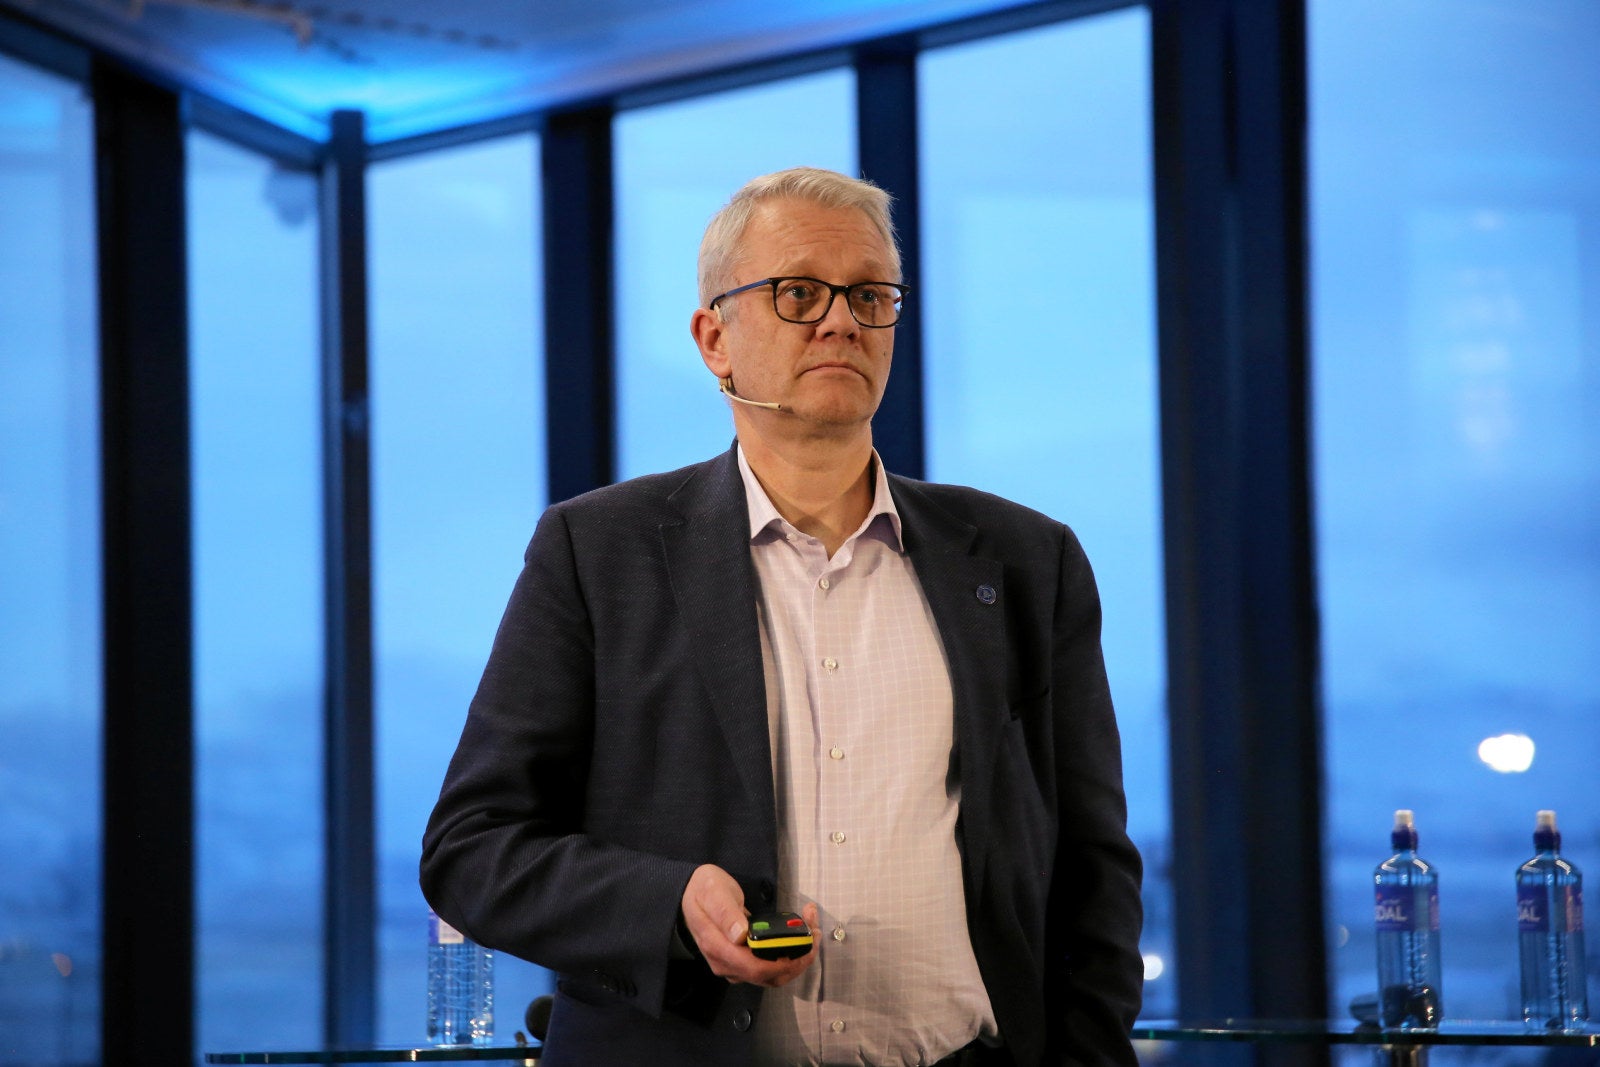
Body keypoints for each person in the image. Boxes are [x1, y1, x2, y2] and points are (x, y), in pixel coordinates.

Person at [420, 166, 1143, 1066]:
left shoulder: (1030, 562)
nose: (842, 321)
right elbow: (471, 848)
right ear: (713, 338)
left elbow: (1093, 870)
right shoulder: (597, 552)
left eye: (871, 295)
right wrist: (671, 903)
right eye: (799, 293)